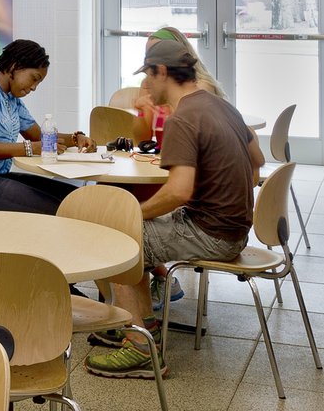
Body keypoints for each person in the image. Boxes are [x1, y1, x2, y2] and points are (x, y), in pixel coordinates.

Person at [85, 38, 265, 380]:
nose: (147, 84)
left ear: (162, 72)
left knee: (117, 238)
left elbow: (179, 191)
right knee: (138, 235)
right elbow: (258, 160)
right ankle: (142, 324)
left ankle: (139, 351)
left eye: (149, 76)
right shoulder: (221, 105)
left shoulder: (183, 118)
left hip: (210, 234)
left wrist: (134, 215)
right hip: (235, 229)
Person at [0, 40, 95, 214]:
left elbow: (40, 136)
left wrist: (77, 139)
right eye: (34, 78)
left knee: (72, 197)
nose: (34, 87)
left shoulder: (11, 99)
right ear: (15, 66)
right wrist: (30, 148)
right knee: (64, 210)